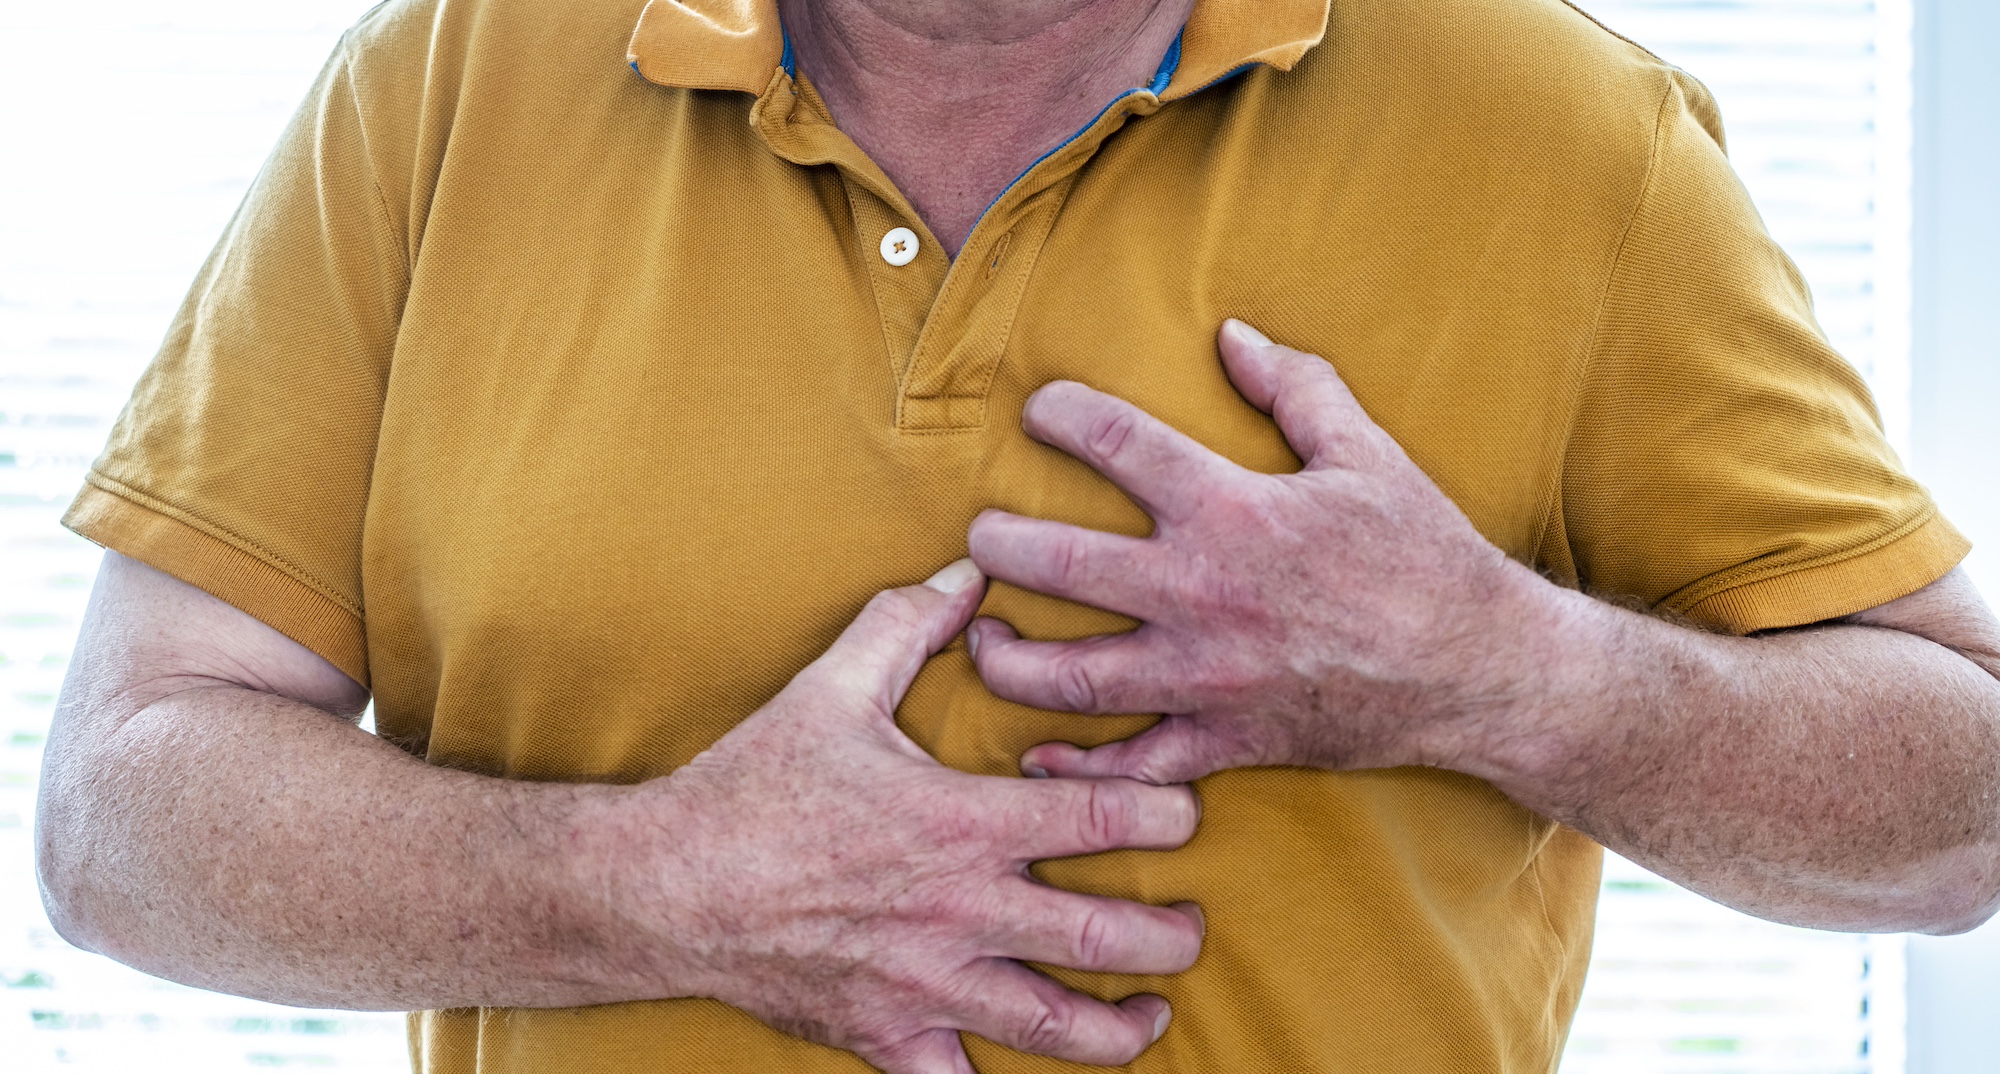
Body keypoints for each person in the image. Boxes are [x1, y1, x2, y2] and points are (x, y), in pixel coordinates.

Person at [34, 0, 2000, 1071]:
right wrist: (643, 880)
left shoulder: (1563, 127)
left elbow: (1965, 809)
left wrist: (1519, 680)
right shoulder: (437, 86)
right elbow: (122, 817)